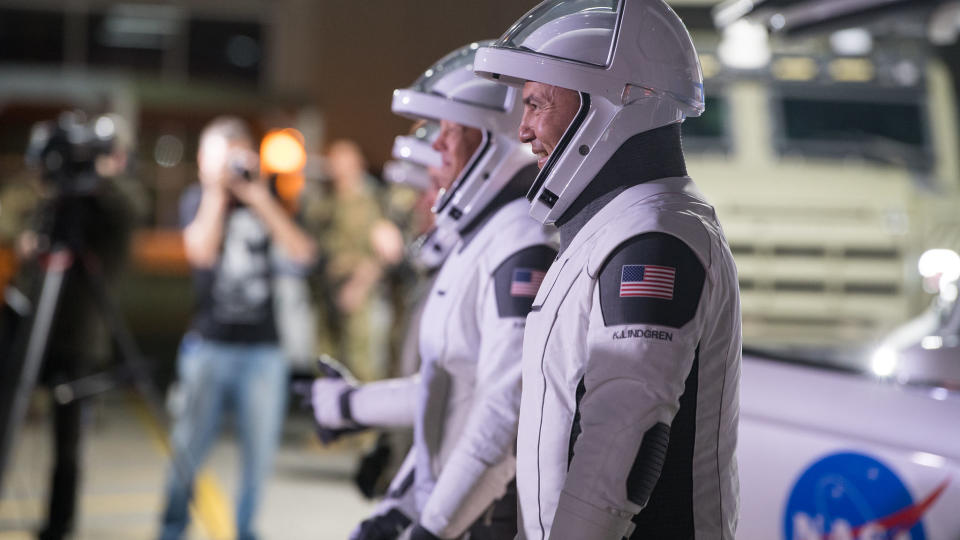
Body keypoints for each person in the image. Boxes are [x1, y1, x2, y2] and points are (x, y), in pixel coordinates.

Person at [473, 1, 742, 538]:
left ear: (608, 104)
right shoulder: (617, 228)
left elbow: (622, 440)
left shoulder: (654, 235)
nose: (523, 130)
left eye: (537, 103)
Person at [311, 42, 557, 540]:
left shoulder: (520, 241)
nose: (439, 151)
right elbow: (448, 393)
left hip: (482, 520)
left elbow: (500, 414)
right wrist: (402, 501)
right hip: (454, 510)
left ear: (497, 140)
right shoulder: (488, 238)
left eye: (451, 130)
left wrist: (430, 525)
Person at [159, 116, 317, 540]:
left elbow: (303, 255)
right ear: (202, 161)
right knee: (187, 449)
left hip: (262, 351)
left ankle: (246, 530)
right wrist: (216, 191)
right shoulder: (198, 199)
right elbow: (202, 253)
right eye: (221, 157)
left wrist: (259, 197)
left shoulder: (268, 201)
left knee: (258, 456)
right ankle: (171, 529)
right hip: (209, 346)